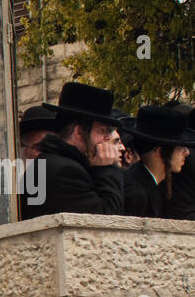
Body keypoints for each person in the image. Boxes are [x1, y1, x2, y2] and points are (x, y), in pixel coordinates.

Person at [19, 82, 124, 220]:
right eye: (101, 131)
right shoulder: (64, 171)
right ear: (79, 132)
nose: (107, 138)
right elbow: (108, 221)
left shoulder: (60, 163)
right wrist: (107, 168)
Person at [120, 105, 191, 218]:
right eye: (180, 147)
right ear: (159, 151)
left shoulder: (152, 184)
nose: (187, 152)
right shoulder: (135, 193)